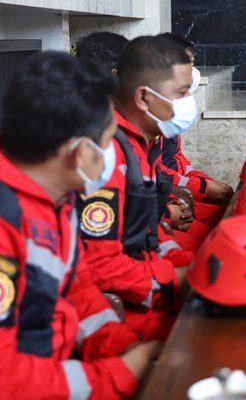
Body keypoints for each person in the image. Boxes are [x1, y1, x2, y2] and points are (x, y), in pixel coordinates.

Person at [0, 52, 159, 398]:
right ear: (78, 152)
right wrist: (113, 376)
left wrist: (119, 346)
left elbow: (75, 288)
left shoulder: (53, 198)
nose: (112, 156)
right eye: (108, 144)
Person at [77, 35, 195, 341]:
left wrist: (186, 264)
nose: (187, 103)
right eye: (181, 93)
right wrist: (175, 279)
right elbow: (99, 267)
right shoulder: (105, 154)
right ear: (144, 98)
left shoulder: (139, 142)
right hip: (119, 307)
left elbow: (146, 231)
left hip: (143, 279)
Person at [157, 32, 234, 251]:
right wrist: (201, 188)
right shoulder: (145, 119)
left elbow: (175, 158)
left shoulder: (169, 110)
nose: (192, 75)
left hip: (170, 199)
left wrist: (202, 181)